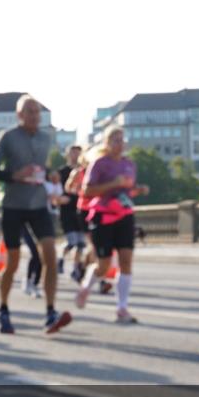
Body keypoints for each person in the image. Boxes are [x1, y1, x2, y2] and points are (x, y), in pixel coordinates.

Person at [0, 95, 73, 335]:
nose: (34, 115)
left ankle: (50, 312)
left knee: (50, 255)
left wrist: (51, 173)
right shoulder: (8, 136)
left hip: (38, 204)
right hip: (13, 206)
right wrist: (14, 175)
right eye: (29, 111)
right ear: (19, 115)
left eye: (37, 111)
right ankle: (2, 309)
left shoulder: (46, 138)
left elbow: (41, 168)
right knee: (12, 261)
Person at [75, 126, 149, 324]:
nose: (119, 143)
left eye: (122, 139)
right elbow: (87, 191)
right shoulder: (99, 164)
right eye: (115, 139)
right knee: (104, 265)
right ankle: (86, 287)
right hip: (103, 215)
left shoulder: (129, 164)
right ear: (106, 143)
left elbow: (127, 191)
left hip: (124, 214)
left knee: (126, 260)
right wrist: (112, 183)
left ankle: (122, 308)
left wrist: (138, 190)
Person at [57, 145, 87, 279]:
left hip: (81, 210)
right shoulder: (62, 172)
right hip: (67, 211)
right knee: (72, 241)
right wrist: (59, 198)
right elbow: (56, 190)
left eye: (78, 153)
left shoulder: (85, 171)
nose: (75, 155)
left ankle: (75, 269)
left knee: (81, 243)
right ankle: (60, 257)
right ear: (68, 154)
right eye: (73, 152)